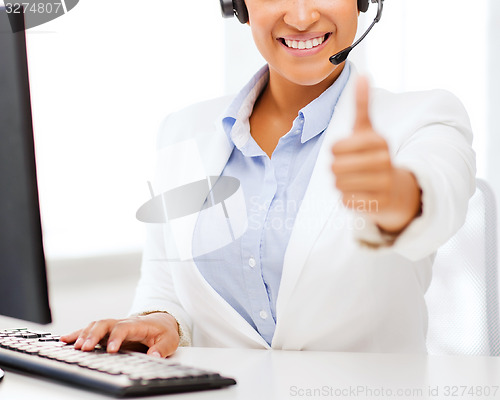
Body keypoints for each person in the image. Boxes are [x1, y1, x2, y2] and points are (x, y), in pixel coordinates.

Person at [62, 0, 476, 357]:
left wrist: (390, 194)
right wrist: (161, 323)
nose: (300, 16)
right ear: (237, 4)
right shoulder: (182, 132)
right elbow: (164, 289)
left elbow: (438, 202)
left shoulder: (424, 118)